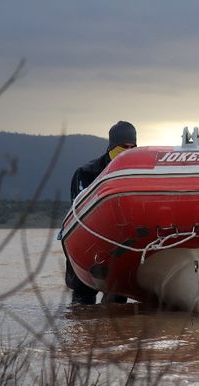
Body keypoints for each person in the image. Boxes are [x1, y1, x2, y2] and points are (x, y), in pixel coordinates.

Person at [65, 121, 137, 304]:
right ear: (112, 146)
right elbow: (76, 216)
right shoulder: (87, 172)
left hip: (117, 248)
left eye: (132, 147)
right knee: (82, 301)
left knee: (116, 305)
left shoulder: (134, 173)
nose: (128, 151)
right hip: (88, 246)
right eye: (124, 147)